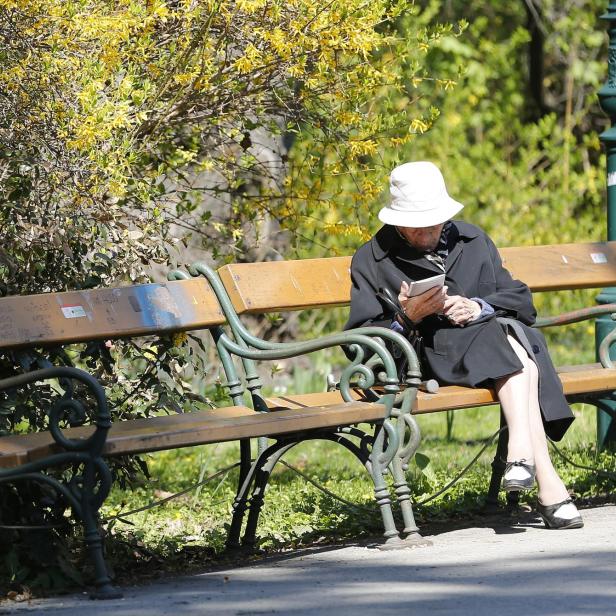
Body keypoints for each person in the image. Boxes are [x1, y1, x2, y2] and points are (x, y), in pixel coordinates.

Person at [345, 161, 583, 529]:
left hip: (491, 349)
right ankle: (541, 474)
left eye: (434, 220)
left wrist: (477, 306)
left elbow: (519, 300)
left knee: (509, 333)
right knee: (517, 343)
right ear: (396, 220)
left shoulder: (472, 239)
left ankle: (532, 466)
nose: (428, 229)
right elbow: (361, 341)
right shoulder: (371, 258)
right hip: (430, 354)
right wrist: (409, 317)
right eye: (417, 223)